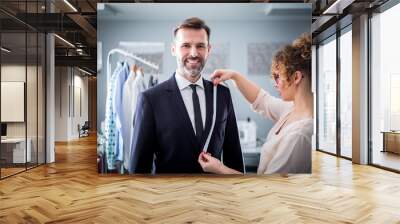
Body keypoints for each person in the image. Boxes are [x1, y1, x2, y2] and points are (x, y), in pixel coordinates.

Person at [128, 17, 244, 174]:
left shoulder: (222, 94)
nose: (194, 53)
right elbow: (138, 169)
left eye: (200, 46)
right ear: (174, 49)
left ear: (208, 49)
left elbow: (234, 158)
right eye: (186, 46)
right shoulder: (150, 99)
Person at [198, 34, 313, 174]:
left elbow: (266, 189)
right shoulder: (291, 109)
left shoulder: (299, 135)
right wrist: (234, 75)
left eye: (277, 77)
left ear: (296, 77)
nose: (275, 84)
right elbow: (262, 100)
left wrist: (219, 169)